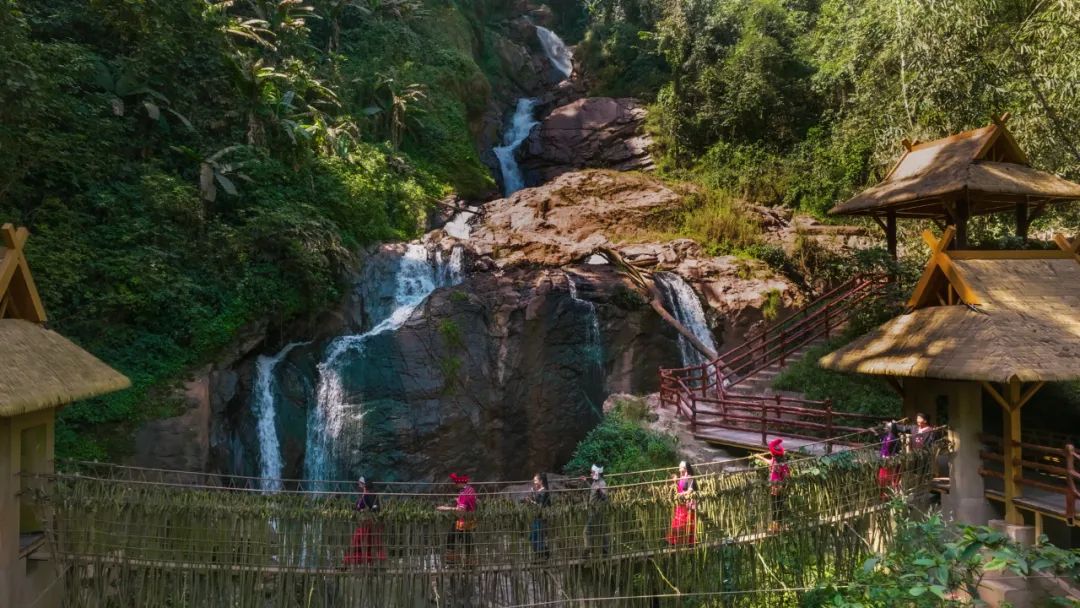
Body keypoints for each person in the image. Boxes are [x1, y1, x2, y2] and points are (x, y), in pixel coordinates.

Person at [344, 477, 386, 565]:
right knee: (374, 542)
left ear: (365, 488)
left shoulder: (366, 495)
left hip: (366, 523)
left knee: (358, 542)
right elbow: (377, 508)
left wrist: (358, 506)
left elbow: (359, 506)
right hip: (375, 524)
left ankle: (350, 561)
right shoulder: (376, 495)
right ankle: (376, 561)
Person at [438, 473, 477, 565]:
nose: (454, 485)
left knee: (451, 536)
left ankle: (452, 559)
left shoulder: (463, 494)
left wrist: (445, 508)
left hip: (463, 520)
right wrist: (458, 500)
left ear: (460, 483)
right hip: (471, 518)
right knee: (467, 539)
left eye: (455, 483)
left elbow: (461, 510)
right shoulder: (470, 489)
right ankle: (469, 560)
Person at [757, 438, 789, 533]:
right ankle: (780, 525)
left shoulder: (775, 463)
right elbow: (787, 474)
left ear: (773, 453)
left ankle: (775, 527)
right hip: (782, 486)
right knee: (780, 505)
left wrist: (759, 457)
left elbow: (770, 463)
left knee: (775, 506)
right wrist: (760, 457)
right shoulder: (782, 461)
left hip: (775, 487)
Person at [666, 461, 697, 545]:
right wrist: (675, 481)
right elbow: (679, 487)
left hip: (686, 504)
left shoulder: (689, 477)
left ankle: (686, 541)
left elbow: (690, 490)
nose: (679, 469)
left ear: (686, 468)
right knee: (678, 522)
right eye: (679, 467)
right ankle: (676, 541)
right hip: (680, 504)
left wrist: (681, 494)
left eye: (681, 467)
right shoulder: (681, 477)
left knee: (685, 523)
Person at [583, 464, 609, 557]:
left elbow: (604, 497)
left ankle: (588, 549)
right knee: (601, 529)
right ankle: (605, 550)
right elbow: (592, 489)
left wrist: (599, 490)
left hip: (597, 510)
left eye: (592, 472)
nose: (591, 474)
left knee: (587, 531)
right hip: (593, 510)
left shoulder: (602, 483)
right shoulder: (595, 481)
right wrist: (586, 481)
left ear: (597, 473)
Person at [525, 472, 551, 560]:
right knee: (533, 537)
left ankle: (543, 554)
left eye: (535, 480)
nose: (534, 482)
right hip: (536, 517)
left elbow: (540, 506)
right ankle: (541, 554)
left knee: (538, 536)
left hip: (541, 517)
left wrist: (531, 500)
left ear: (541, 481)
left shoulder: (544, 492)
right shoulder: (538, 491)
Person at [877, 422, 903, 500]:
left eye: (888, 427)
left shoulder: (895, 438)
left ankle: (890, 495)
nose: (885, 428)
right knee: (882, 478)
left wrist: (891, 457)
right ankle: (883, 495)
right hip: (884, 460)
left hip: (890, 461)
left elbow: (897, 450)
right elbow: (882, 445)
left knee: (889, 478)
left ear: (891, 429)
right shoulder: (886, 436)